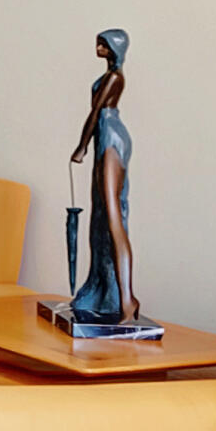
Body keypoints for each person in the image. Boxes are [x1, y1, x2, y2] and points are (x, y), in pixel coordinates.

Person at [65, 28, 137, 325]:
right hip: (105, 136)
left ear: (115, 49)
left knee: (112, 218)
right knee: (102, 216)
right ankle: (106, 291)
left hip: (110, 139)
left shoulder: (114, 78)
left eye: (103, 44)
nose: (98, 48)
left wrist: (82, 146)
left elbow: (95, 112)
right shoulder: (111, 75)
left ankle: (127, 299)